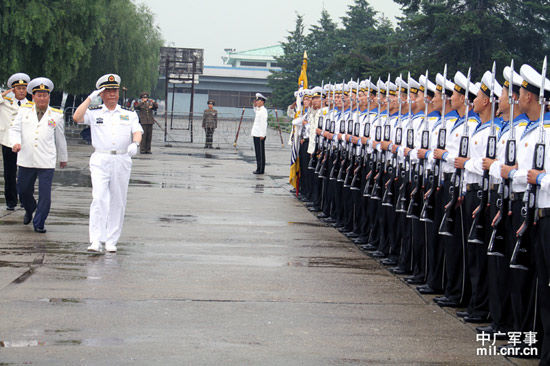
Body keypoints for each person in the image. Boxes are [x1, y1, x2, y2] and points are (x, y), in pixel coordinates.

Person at [72, 74, 143, 253]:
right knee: (98, 198)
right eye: (108, 91)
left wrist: (135, 143)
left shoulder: (128, 114)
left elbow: (137, 131)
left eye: (114, 91)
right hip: (101, 158)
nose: (112, 94)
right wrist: (90, 98)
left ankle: (111, 240)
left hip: (121, 158)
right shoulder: (95, 112)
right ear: (102, 94)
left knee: (118, 201)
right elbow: (76, 117)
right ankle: (95, 240)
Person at [9, 77, 68, 233]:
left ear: (49, 96)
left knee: (45, 195)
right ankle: (30, 209)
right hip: (26, 158)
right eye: (39, 95)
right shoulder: (24, 111)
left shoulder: (56, 115)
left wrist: (63, 157)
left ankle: (39, 222)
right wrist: (15, 142)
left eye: (45, 95)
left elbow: (60, 138)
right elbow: (14, 129)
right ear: (33, 97)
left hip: (46, 160)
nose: (42, 98)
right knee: (23, 190)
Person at [0, 73, 30, 210]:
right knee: (10, 173)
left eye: (24, 88)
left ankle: (25, 198)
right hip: (8, 142)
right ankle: (11, 201)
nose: (22, 91)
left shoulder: (31, 105)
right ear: (13, 90)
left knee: (25, 174)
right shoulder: (5, 102)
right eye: (18, 88)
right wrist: (7, 93)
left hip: (25, 143)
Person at [251, 93, 267, 174]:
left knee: (261, 153)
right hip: (256, 133)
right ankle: (258, 168)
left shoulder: (263, 111)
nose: (257, 102)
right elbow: (255, 109)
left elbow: (263, 123)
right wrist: (254, 105)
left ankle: (261, 169)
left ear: (262, 102)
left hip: (260, 134)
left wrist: (262, 134)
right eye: (256, 101)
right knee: (257, 153)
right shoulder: (259, 110)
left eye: (258, 101)